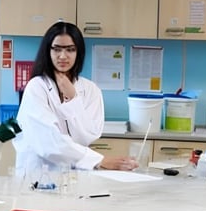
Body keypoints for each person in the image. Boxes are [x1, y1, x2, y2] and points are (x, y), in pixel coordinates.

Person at [13, 21, 139, 175]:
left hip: (75, 176)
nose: (63, 56)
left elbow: (87, 136)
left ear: (79, 52)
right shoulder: (37, 87)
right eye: (57, 49)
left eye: (70, 50)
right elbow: (48, 143)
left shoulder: (91, 90)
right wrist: (100, 160)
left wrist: (73, 99)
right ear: (48, 51)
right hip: (37, 176)